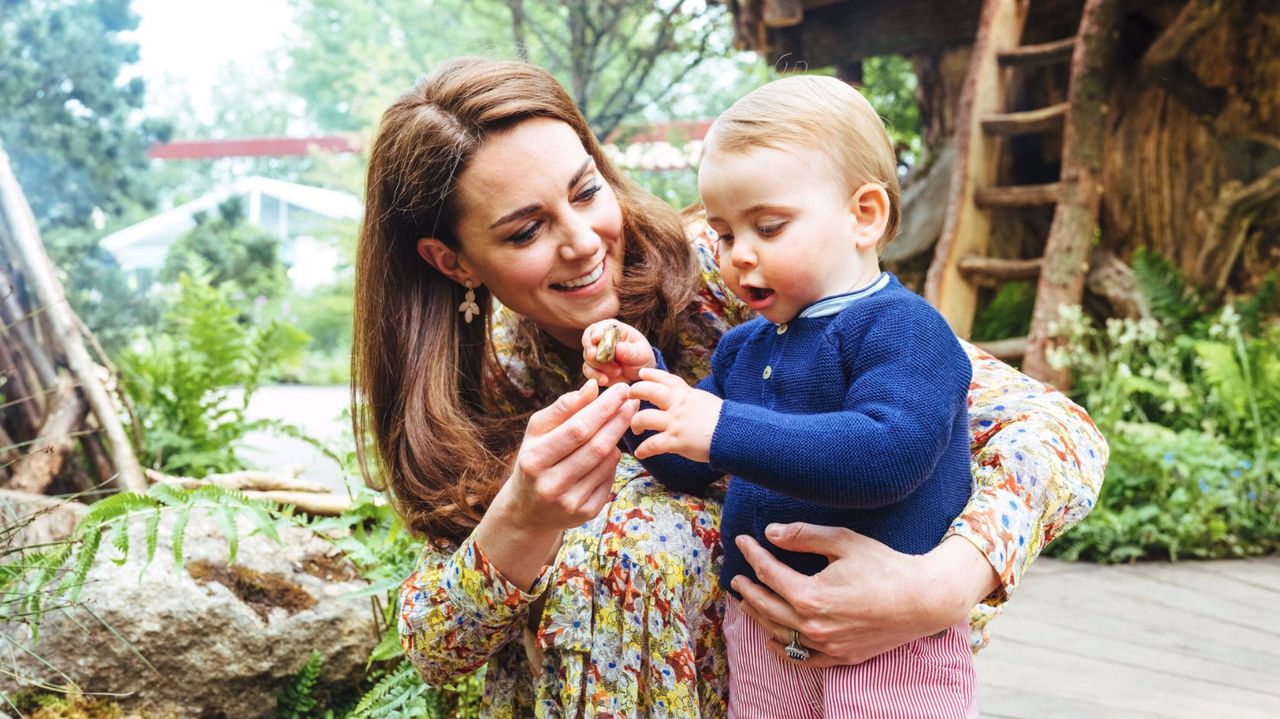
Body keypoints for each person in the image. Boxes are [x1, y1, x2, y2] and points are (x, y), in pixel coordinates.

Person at [353, 57, 1107, 719]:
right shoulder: (478, 390)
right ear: (453, 262)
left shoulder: (745, 272)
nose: (582, 241)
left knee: (642, 534)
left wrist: (942, 585)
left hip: (855, 671)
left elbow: (1057, 430)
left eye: (586, 192)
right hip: (732, 686)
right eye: (525, 231)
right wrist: (521, 520)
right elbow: (434, 647)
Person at [582, 76, 977, 717]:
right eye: (726, 234)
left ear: (864, 215)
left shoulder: (903, 328)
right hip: (762, 631)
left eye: (768, 226)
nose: (740, 256)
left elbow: (890, 453)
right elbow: (686, 460)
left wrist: (721, 427)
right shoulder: (745, 348)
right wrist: (638, 387)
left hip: (889, 641)